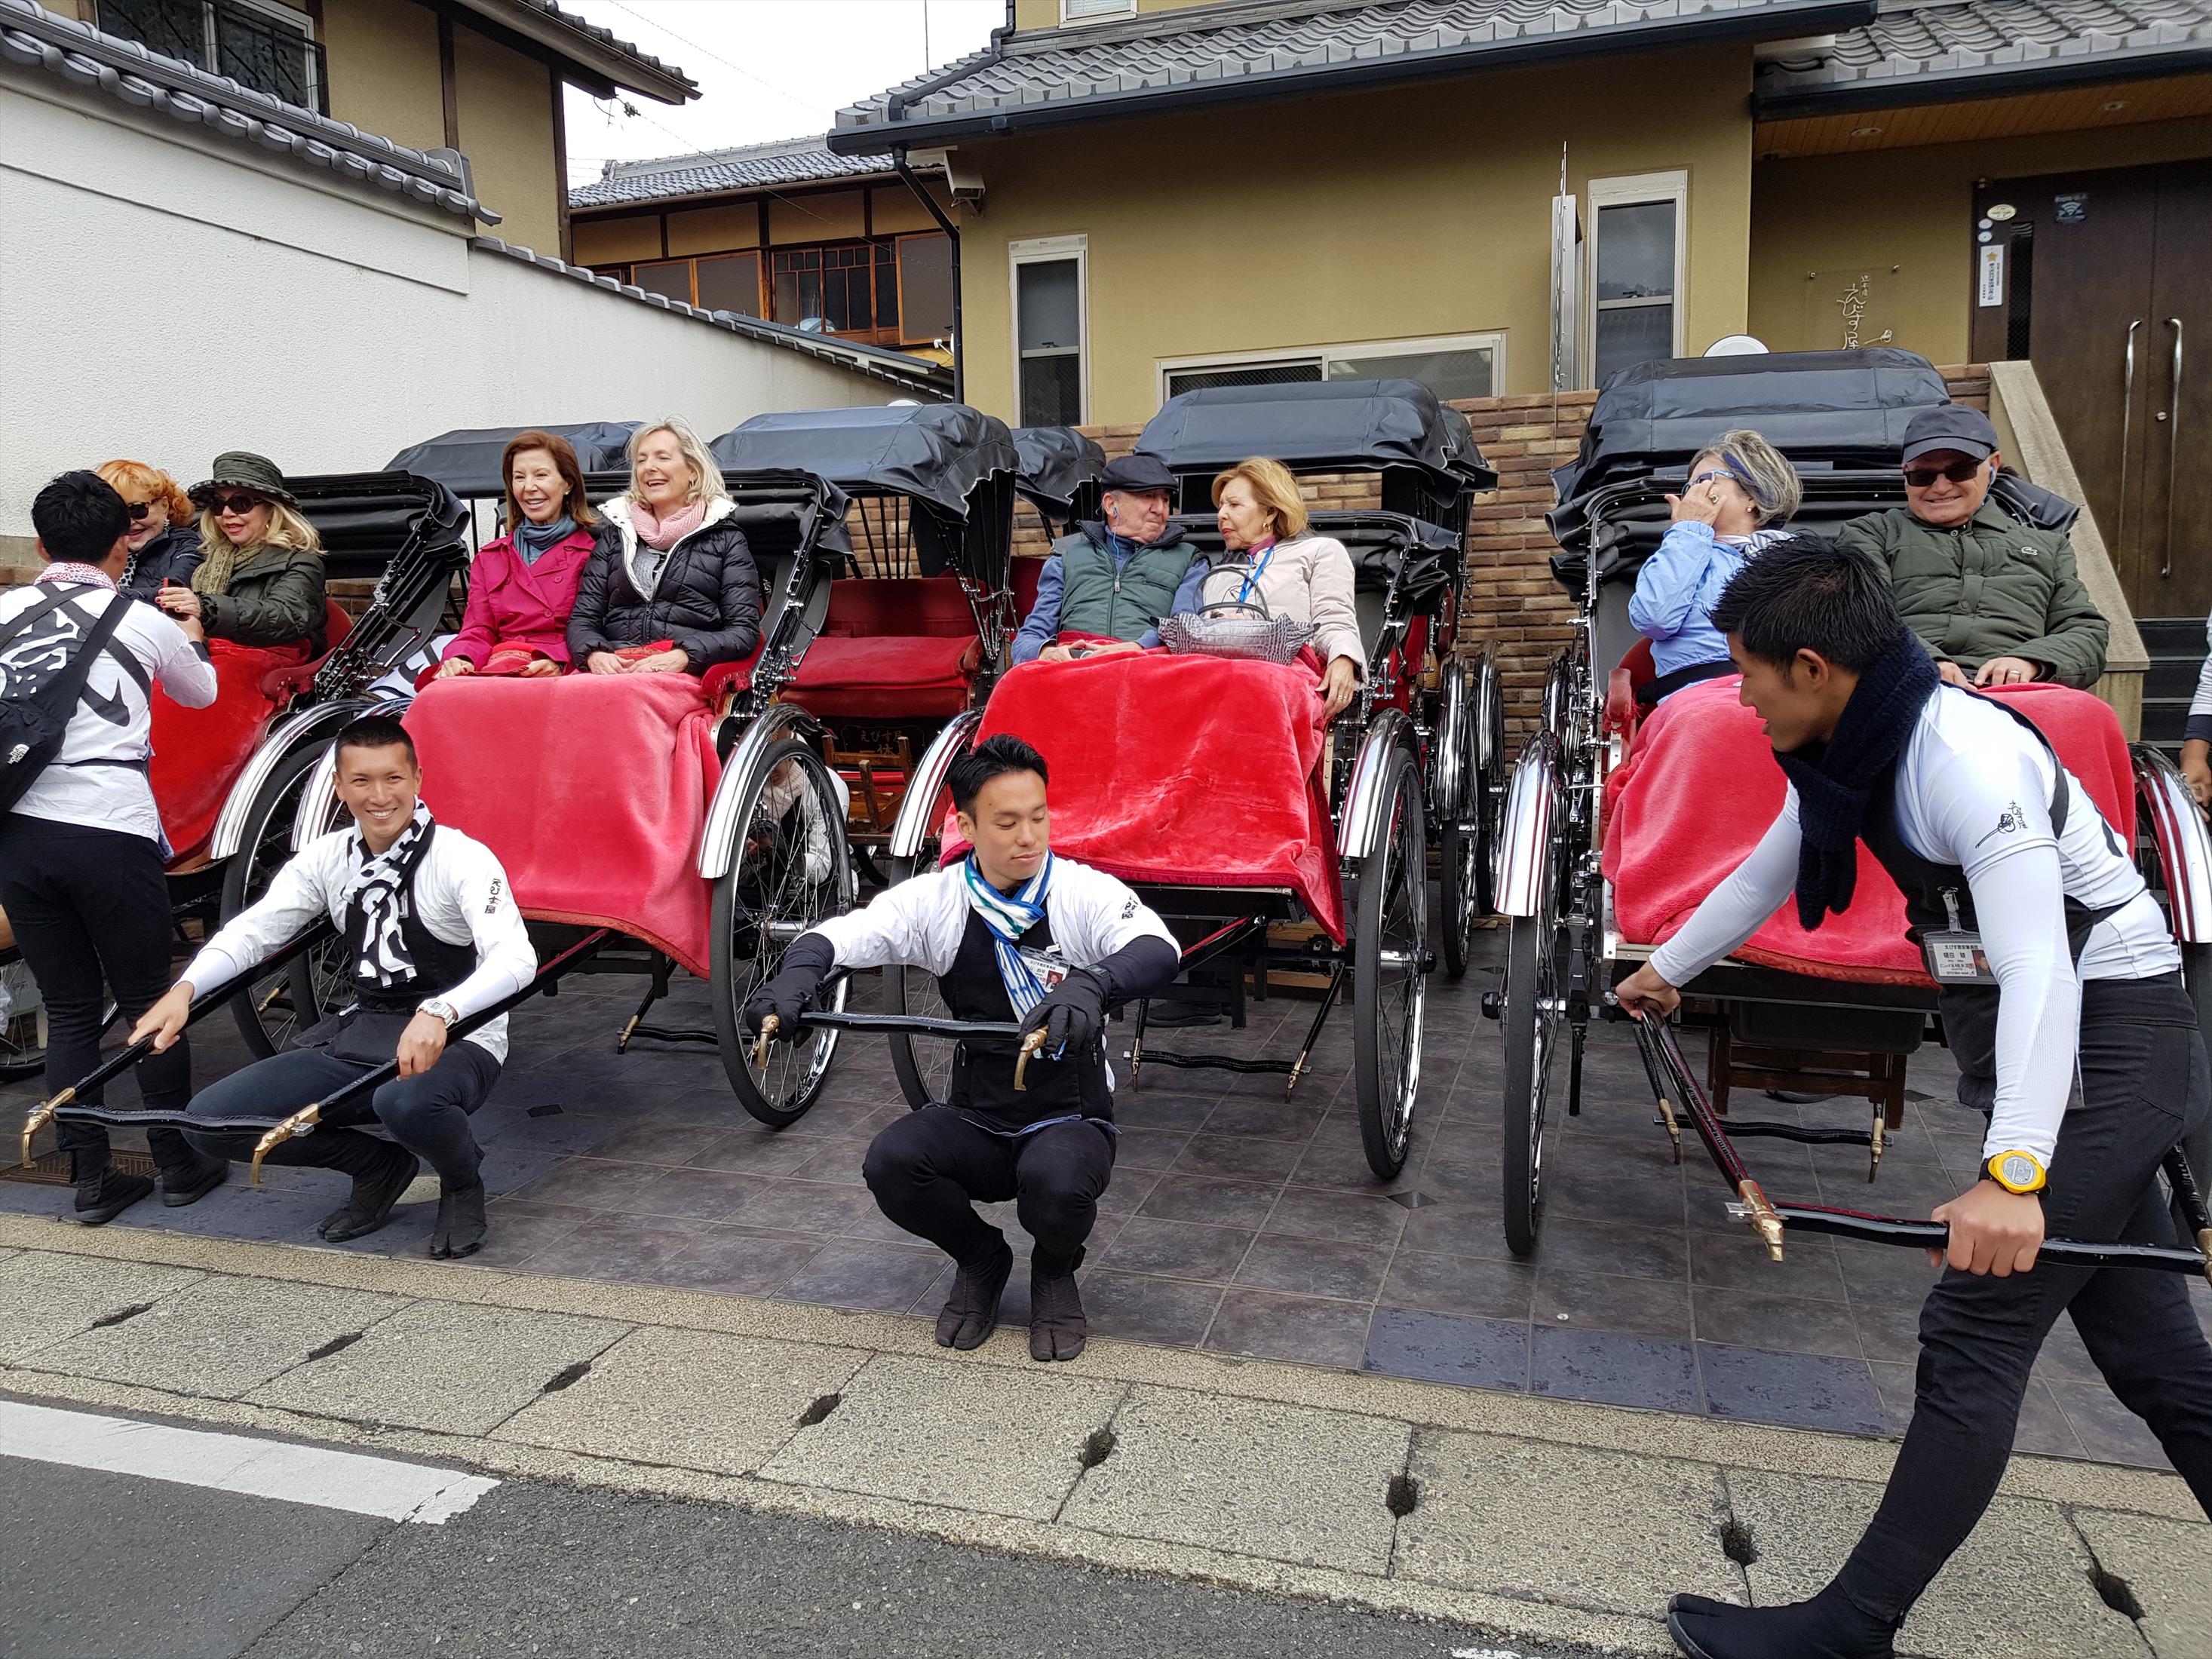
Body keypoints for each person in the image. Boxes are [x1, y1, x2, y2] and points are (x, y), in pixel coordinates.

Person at [1613, 538, 2212, 1659]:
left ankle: (1849, 1630)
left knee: (1975, 1327)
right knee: (2156, 1362)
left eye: (1748, 674)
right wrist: (1668, 968)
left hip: (2109, 1039)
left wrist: (2014, 1174)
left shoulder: (1962, 762)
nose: (1738, 697)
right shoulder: (1855, 741)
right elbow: (1771, 866)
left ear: (1812, 668)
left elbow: (2039, 967)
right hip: (2058, 1041)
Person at [744, 734, 1180, 1361]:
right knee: (892, 1162)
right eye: (1006, 822)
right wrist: (796, 977)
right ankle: (980, 1257)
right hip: (979, 1114)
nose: (1029, 837)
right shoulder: (939, 899)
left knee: (1056, 1186)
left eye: (1038, 817)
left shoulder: (1080, 892)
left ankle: (1054, 1269)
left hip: (1069, 1116)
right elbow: (842, 936)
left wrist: (1091, 984)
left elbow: (1156, 947)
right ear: (967, 827)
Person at [134, 713, 536, 1258]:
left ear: (418, 779)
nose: (380, 796)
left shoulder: (460, 857)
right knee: (209, 1122)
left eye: (393, 778)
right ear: (339, 787)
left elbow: (516, 958)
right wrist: (185, 990)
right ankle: (375, 1165)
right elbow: (255, 930)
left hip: (462, 1036)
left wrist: (441, 1012)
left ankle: (463, 1182)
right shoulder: (329, 858)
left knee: (405, 1103)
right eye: (362, 781)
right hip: (364, 1031)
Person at [0, 471, 223, 1224]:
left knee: (69, 1009)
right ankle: (178, 1163)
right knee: (147, 1001)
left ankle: (92, 1179)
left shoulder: (4, 612)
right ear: (124, 545)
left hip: (19, 832)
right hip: (108, 827)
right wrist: (190, 631)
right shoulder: (142, 620)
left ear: (41, 547)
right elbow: (200, 693)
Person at [1839, 407, 2106, 690]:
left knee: (2088, 712)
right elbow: (1858, 614)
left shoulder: (2048, 546)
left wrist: (2031, 662)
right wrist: (1921, 663)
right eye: (1922, 475)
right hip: (1907, 686)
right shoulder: (1871, 534)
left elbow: (2086, 630)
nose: (1941, 487)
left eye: (1959, 471)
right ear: (1905, 474)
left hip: (2020, 692)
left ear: (1993, 465)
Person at [567, 419, 759, 676]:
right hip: (615, 667)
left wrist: (685, 655)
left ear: (693, 471)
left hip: (685, 669)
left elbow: (743, 630)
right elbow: (583, 618)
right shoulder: (616, 534)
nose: (649, 467)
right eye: (642, 460)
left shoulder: (725, 538)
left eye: (662, 457)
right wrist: (594, 653)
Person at [1628, 429, 1800, 702]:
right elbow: (1654, 618)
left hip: (1782, 696)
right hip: (1699, 695)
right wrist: (1689, 531)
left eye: (1705, 481)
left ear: (1753, 495)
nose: (1693, 494)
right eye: (1689, 487)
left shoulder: (1795, 558)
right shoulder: (1678, 550)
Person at [1189, 456, 1365, 719]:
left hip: (1286, 678)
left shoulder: (1320, 552)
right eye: (1221, 505)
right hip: (1220, 677)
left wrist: (1344, 658)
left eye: (1234, 504)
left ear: (1270, 512)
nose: (1221, 514)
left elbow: (1335, 620)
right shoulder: (1218, 574)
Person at [1011, 453, 1206, 664]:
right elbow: (1028, 638)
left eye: (1165, 500)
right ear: (1111, 505)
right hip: (1074, 666)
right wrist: (1046, 652)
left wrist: (1137, 647)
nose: (1160, 509)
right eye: (1148, 496)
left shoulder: (1189, 561)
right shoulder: (1065, 559)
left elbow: (1186, 631)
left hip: (1147, 666)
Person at [435, 431, 600, 679]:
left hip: (564, 670)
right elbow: (478, 629)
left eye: (541, 475)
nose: (529, 487)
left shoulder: (593, 554)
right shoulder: (490, 557)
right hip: (499, 663)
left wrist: (559, 661)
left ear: (568, 483)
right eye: (519, 477)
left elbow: (597, 630)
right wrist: (461, 658)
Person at [156, 452, 329, 655]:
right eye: (218, 504)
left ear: (271, 509)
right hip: (202, 658)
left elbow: (288, 618)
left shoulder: (301, 562)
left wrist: (206, 608)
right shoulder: (204, 558)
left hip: (269, 667)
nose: (227, 513)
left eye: (241, 504)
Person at [97, 459, 202, 601]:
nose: (129, 522)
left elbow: (171, 594)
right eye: (116, 513)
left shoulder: (185, 546)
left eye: (137, 509)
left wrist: (104, 597)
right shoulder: (97, 549)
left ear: (164, 506)